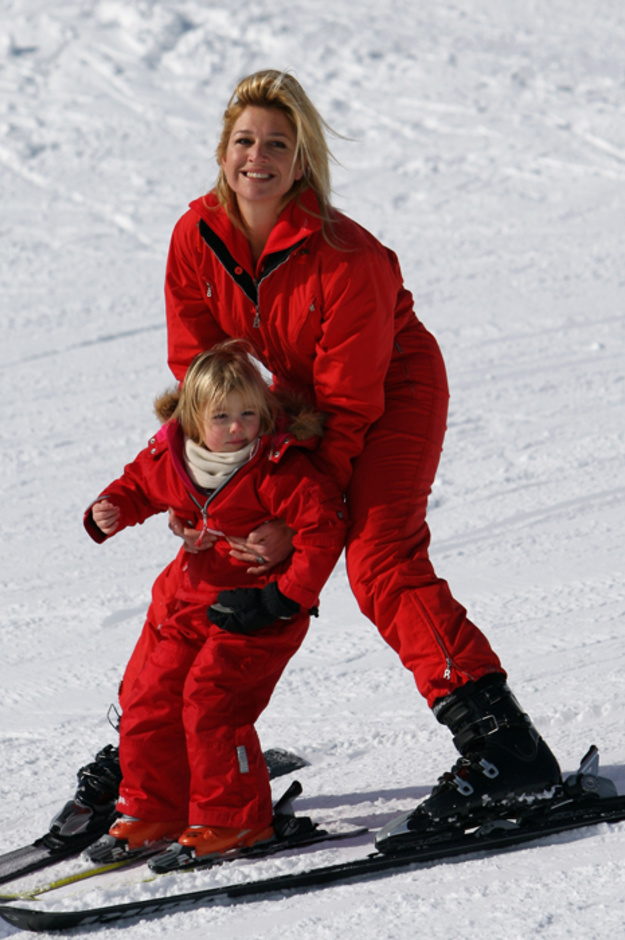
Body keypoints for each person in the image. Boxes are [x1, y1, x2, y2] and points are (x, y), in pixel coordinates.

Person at [157, 68, 562, 845]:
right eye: (245, 140)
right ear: (221, 149)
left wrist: (301, 517)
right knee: (221, 546)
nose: (257, 157)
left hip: (387, 396)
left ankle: (505, 750)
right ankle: (174, 748)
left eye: (278, 144)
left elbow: (347, 413)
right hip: (284, 405)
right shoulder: (193, 238)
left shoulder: (348, 258)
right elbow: (201, 381)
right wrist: (200, 489)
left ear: (301, 161)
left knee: (378, 556)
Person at [82, 340, 348, 863]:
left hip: (259, 609)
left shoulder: (276, 466)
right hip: (194, 599)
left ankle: (236, 819)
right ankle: (155, 808)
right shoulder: (173, 456)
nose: (237, 428)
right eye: (221, 417)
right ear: (192, 420)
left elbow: (324, 527)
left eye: (248, 414)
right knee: (149, 696)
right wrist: (111, 508)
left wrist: (285, 596)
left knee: (211, 698)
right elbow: (137, 485)